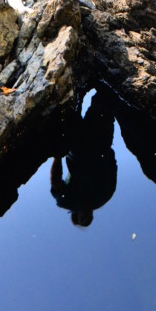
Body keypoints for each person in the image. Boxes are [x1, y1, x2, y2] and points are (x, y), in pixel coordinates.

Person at [50, 90, 117, 227]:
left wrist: (58, 155)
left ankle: (85, 82)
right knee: (71, 106)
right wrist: (57, 156)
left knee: (101, 97)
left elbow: (113, 163)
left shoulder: (104, 197)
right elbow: (56, 182)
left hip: (97, 144)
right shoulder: (70, 202)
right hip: (82, 149)